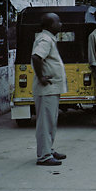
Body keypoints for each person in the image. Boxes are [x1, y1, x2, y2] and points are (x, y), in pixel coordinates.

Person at [31, 12, 67, 165]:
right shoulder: (45, 39)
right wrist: (41, 77)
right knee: (45, 123)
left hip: (51, 89)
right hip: (46, 88)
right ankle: (44, 156)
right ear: (50, 25)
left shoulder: (48, 38)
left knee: (51, 121)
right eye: (58, 22)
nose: (61, 24)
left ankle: (48, 149)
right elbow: (36, 57)